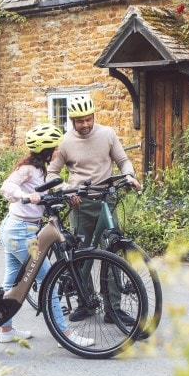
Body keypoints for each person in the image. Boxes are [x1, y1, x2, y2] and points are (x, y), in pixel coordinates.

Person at [0, 123, 94, 347]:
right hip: (20, 231)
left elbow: (51, 187)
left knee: (12, 280)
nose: (59, 151)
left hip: (18, 228)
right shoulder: (28, 169)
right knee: (48, 280)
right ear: (46, 150)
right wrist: (26, 196)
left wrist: (69, 192)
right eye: (55, 147)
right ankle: (65, 335)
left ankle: (5, 329)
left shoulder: (41, 170)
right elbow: (7, 186)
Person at [47, 96, 141, 324]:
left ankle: (113, 309)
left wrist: (129, 175)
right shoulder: (65, 142)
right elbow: (52, 174)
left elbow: (123, 160)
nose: (85, 124)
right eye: (80, 121)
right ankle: (85, 302)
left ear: (94, 117)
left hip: (106, 202)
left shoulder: (107, 134)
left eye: (88, 119)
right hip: (80, 204)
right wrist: (67, 190)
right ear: (72, 120)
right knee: (80, 254)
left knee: (112, 253)